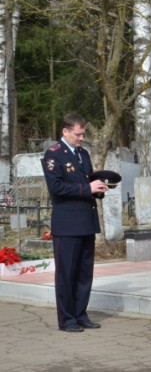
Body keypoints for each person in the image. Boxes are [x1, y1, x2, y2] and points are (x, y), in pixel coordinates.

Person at [42, 114, 109, 332]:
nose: (82, 138)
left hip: (86, 222)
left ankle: (81, 314)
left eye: (83, 134)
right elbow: (57, 189)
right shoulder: (54, 155)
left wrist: (98, 190)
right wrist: (86, 189)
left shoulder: (83, 154)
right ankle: (67, 319)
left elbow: (87, 181)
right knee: (66, 274)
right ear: (65, 131)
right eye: (78, 134)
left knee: (83, 273)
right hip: (67, 224)